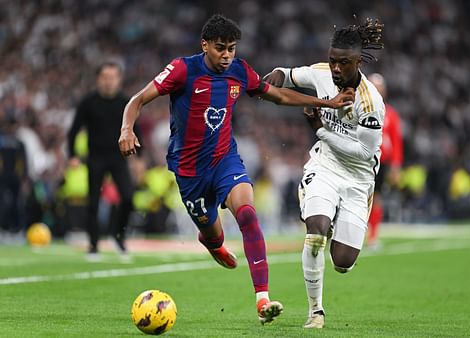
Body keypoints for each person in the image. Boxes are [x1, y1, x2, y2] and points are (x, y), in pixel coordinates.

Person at [118, 14, 354, 324]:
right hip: (189, 173)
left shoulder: (240, 71)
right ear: (205, 46)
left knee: (247, 214)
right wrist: (126, 129)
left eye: (231, 48)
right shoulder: (182, 70)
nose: (227, 55)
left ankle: (263, 300)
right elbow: (138, 99)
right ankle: (211, 241)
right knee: (214, 237)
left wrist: (328, 103)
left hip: (224, 160)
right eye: (220, 48)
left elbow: (279, 95)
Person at [264, 18, 384, 328]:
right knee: (315, 230)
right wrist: (274, 76)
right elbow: (289, 75)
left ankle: (335, 224)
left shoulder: (370, 103)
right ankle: (315, 312)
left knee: (343, 262)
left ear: (358, 62)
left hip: (358, 180)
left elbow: (363, 153)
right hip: (325, 167)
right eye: (332, 60)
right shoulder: (321, 73)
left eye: (343, 63)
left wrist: (319, 129)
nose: (335, 68)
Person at [67, 61, 138, 259]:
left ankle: (119, 236)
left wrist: (139, 157)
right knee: (94, 202)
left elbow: (134, 128)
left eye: (113, 77)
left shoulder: (126, 102)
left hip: (119, 157)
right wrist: (72, 155)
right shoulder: (88, 102)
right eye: (105, 77)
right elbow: (73, 130)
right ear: (98, 79)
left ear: (119, 80)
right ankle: (93, 245)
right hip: (96, 157)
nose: (109, 82)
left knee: (129, 197)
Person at [366, 73, 403, 249]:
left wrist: (396, 166)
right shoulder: (359, 108)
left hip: (380, 162)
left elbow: (396, 142)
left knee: (376, 198)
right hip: (361, 159)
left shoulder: (391, 114)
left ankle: (373, 236)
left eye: (380, 88)